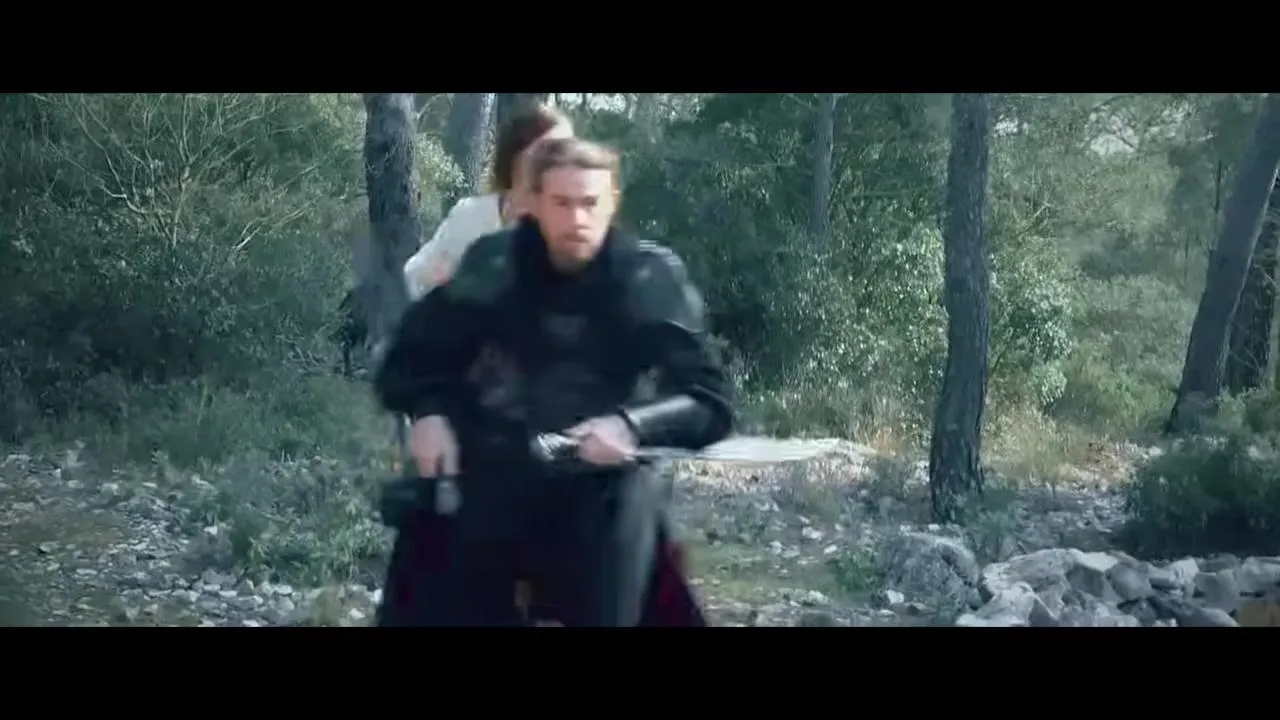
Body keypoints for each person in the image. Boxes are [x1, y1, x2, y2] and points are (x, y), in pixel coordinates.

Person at [374, 137, 733, 626]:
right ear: (534, 203)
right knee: (429, 558)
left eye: (590, 203)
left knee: (627, 548)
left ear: (611, 203)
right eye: (562, 203)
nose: (577, 218)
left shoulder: (646, 277)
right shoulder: (495, 264)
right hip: (492, 468)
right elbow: (410, 357)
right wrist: (428, 412)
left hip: (602, 482)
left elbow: (707, 401)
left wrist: (630, 426)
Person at [402, 102, 574, 301]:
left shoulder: (573, 224)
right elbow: (416, 274)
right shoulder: (470, 217)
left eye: (568, 151)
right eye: (551, 150)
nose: (563, 160)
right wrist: (444, 285)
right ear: (516, 156)